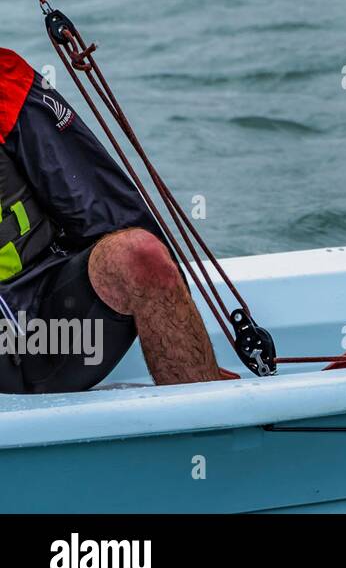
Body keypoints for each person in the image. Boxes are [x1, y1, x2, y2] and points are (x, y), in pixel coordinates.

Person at [0, 48, 226, 392]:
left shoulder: (5, 83)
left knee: (137, 254)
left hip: (43, 335)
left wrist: (175, 326)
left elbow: (107, 215)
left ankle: (209, 426)